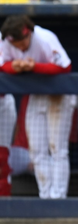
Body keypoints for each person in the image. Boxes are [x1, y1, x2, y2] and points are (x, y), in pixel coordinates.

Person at [0, 15, 74, 199]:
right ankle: (45, 196)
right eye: (15, 43)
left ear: (28, 33)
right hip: (36, 95)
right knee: (37, 151)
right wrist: (14, 66)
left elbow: (65, 66)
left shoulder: (44, 37)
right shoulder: (7, 41)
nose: (19, 47)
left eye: (21, 42)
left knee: (58, 149)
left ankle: (58, 198)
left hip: (59, 95)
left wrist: (35, 67)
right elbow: (4, 65)